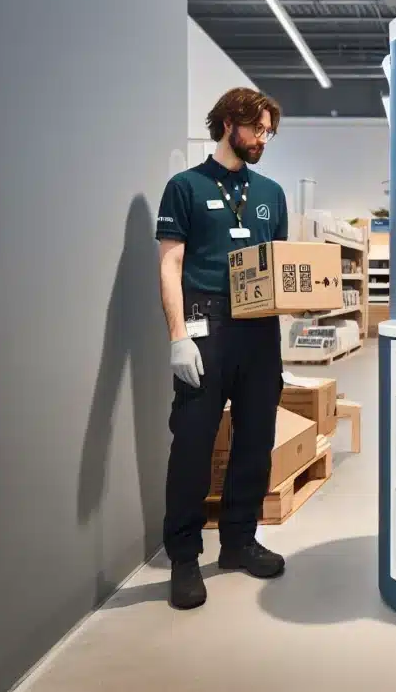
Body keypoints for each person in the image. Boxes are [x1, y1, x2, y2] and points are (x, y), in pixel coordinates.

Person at [155, 87, 291, 610]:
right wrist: (178, 336)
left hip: (260, 329)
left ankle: (238, 541)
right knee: (192, 444)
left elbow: (279, 266)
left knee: (256, 440)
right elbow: (170, 265)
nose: (262, 139)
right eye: (257, 129)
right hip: (205, 324)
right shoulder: (185, 187)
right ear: (230, 123)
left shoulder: (271, 193)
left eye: (268, 132)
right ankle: (185, 557)